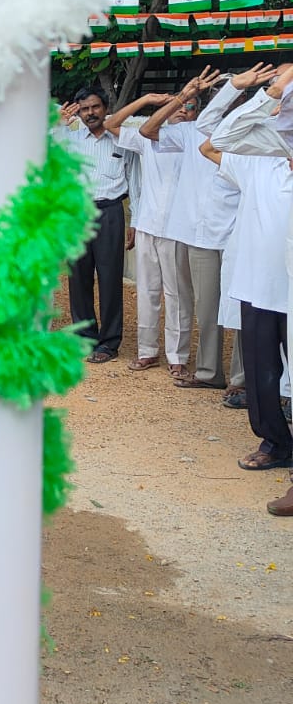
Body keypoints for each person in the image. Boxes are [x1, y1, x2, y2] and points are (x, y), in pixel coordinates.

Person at [211, 62, 293, 513]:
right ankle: (275, 443)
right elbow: (216, 138)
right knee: (262, 376)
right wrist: (268, 92)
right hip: (259, 287)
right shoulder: (257, 159)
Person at [144, 67, 252, 394]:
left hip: (238, 234)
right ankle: (209, 373)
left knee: (244, 309)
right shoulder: (191, 131)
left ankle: (242, 380)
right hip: (198, 235)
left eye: (231, 92)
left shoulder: (250, 133)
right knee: (207, 310)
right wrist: (183, 96)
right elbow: (149, 130)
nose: (221, 97)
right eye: (216, 92)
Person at [106, 89, 194, 379]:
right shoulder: (148, 138)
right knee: (147, 291)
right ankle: (147, 351)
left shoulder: (195, 138)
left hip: (178, 228)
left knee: (177, 293)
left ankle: (177, 356)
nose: (182, 111)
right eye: (176, 106)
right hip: (146, 224)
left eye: (189, 107)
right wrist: (146, 101)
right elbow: (112, 124)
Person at [58, 86, 130, 363]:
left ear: (105, 107)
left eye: (95, 107)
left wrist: (135, 215)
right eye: (85, 108)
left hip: (110, 211)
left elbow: (134, 178)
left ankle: (109, 342)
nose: (90, 113)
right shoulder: (71, 139)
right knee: (79, 278)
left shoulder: (121, 140)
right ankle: (85, 337)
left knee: (110, 278)